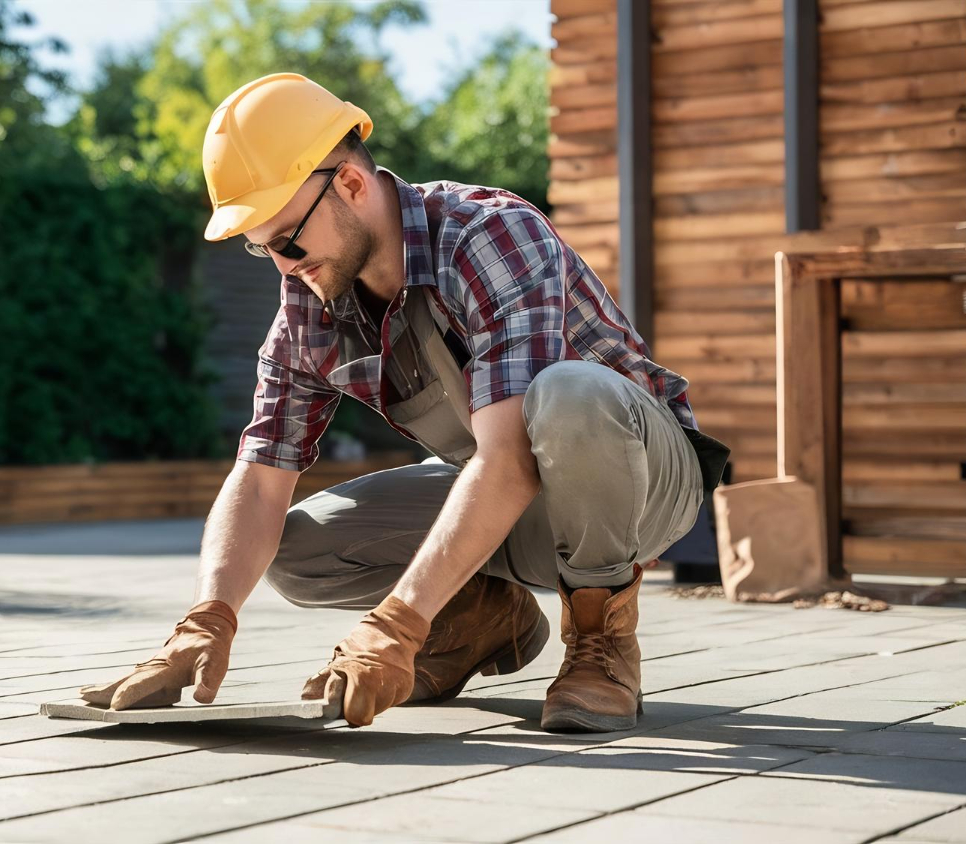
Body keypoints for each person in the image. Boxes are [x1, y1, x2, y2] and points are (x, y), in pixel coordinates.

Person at [80, 73, 730, 733]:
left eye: (285, 239)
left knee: (569, 392)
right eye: (261, 246)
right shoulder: (313, 301)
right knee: (293, 548)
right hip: (520, 506)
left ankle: (601, 643)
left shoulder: (491, 237)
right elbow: (259, 476)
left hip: (641, 487)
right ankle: (479, 618)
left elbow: (507, 457)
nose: (281, 264)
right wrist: (208, 617)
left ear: (352, 186)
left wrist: (396, 623)